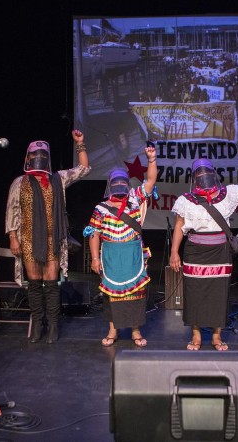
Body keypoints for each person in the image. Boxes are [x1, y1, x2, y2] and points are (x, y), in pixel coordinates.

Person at [6, 130, 90, 343]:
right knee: (34, 285)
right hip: (28, 238)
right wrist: (13, 237)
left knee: (51, 285)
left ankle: (53, 326)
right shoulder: (19, 182)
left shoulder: (58, 178)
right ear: (28, 157)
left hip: (53, 239)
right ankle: (37, 324)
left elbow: (83, 169)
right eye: (36, 154)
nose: (39, 158)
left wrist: (80, 144)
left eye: (44, 154)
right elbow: (12, 211)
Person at [169, 151, 238, 351]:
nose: (203, 175)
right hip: (195, 251)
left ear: (213, 173)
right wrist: (174, 252)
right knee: (194, 293)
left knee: (219, 293)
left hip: (220, 251)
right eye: (199, 173)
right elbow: (179, 227)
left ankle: (217, 337)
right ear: (194, 178)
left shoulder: (227, 194)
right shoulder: (185, 200)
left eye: (206, 171)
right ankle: (196, 335)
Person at [83, 145, 158, 347]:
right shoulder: (101, 208)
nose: (119, 185)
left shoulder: (135, 198)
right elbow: (94, 234)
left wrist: (151, 159)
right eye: (115, 182)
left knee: (136, 294)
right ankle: (112, 330)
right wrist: (95, 259)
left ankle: (135, 330)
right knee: (110, 296)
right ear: (110, 185)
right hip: (110, 256)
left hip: (132, 253)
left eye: (121, 181)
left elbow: (150, 181)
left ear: (126, 183)